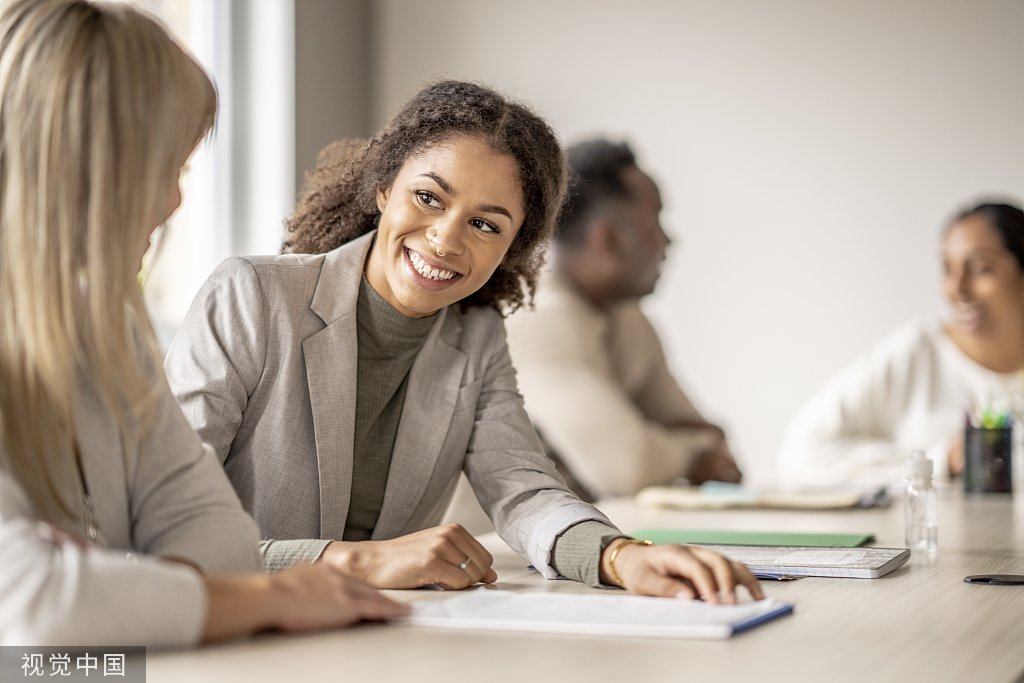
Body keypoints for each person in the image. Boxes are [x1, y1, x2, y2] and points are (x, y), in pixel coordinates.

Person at [165, 82, 763, 602]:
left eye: (485, 224)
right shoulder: (251, 295)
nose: (446, 241)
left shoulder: (475, 337)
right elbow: (168, 527)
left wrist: (620, 556)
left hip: (372, 639)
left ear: (514, 247)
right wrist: (353, 562)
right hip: (230, 630)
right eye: (428, 198)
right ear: (383, 189)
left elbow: (523, 490)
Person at [0, 0, 405, 647]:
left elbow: (221, 536)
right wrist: (268, 595)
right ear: (78, 164)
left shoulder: (107, 331)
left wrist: (105, 594)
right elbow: (32, 608)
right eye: (165, 168)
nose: (174, 200)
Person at [504, 139, 742, 500]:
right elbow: (630, 469)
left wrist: (690, 448)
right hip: (487, 549)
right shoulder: (538, 316)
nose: (668, 240)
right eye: (656, 221)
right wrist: (693, 454)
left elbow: (707, 436)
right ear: (608, 238)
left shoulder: (628, 317)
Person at [777, 201, 1024, 491]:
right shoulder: (916, 352)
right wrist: (939, 463)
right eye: (947, 268)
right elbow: (798, 459)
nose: (958, 288)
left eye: (981, 269)